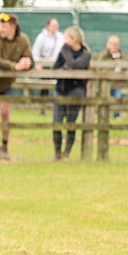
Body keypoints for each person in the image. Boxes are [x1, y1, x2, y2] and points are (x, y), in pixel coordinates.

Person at [0, 12, 33, 160]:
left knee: (5, 113)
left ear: (13, 27)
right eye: (0, 25)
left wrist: (28, 63)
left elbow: (29, 57)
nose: (1, 29)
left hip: (6, 84)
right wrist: (15, 66)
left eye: (4, 26)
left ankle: (4, 144)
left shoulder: (23, 40)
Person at [50, 26, 91, 161]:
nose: (65, 41)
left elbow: (74, 64)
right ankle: (57, 152)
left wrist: (66, 55)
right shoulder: (64, 50)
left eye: (67, 38)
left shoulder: (85, 54)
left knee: (71, 123)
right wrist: (65, 66)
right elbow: (55, 68)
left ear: (74, 39)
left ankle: (66, 152)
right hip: (60, 90)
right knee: (57, 122)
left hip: (75, 91)